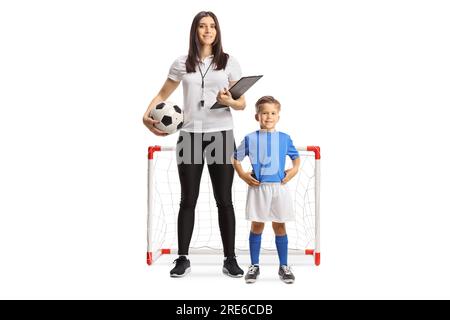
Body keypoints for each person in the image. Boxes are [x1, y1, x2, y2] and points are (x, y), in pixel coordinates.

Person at [143, 11, 246, 278]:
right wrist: (146, 114)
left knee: (224, 200)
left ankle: (230, 259)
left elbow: (242, 103)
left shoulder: (229, 62)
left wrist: (229, 101)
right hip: (189, 136)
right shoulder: (181, 63)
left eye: (212, 26)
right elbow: (162, 94)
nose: (208, 30)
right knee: (187, 199)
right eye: (202, 26)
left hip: (221, 134)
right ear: (195, 30)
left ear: (217, 31)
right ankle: (183, 258)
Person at [231, 96, 300, 284]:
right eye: (264, 113)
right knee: (257, 225)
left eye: (272, 113)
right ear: (257, 116)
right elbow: (235, 158)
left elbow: (296, 158)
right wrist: (243, 175)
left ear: (278, 116)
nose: (268, 117)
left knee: (279, 225)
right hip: (258, 188)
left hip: (279, 188)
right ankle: (254, 266)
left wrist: (293, 170)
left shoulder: (285, 138)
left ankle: (284, 266)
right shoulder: (250, 138)